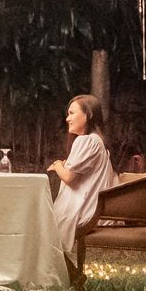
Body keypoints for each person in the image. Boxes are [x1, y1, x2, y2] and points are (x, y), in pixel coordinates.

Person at [47, 93, 116, 258]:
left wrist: (57, 165)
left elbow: (69, 177)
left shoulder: (87, 141)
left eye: (72, 113)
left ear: (88, 115)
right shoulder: (96, 141)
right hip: (93, 208)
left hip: (87, 212)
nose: (67, 119)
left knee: (38, 223)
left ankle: (53, 268)